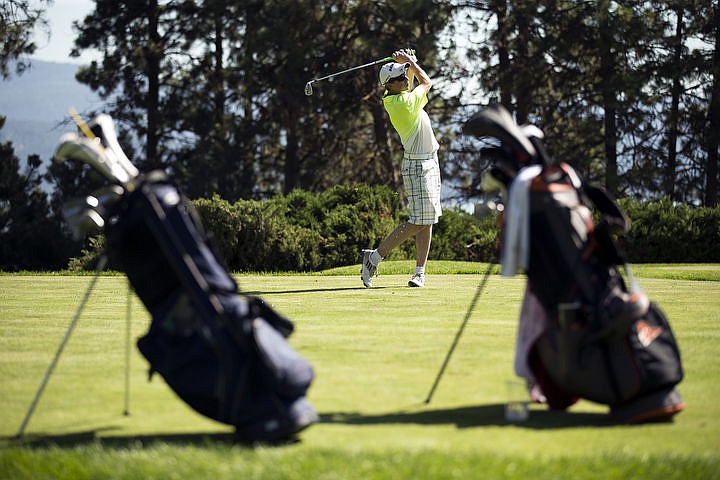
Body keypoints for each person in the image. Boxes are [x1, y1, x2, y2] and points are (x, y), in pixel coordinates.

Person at [360, 49, 442, 288]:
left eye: (404, 75)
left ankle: (419, 273)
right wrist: (412, 62)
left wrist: (407, 63)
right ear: (390, 85)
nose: (405, 79)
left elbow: (415, 80)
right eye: (400, 77)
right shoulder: (403, 103)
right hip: (418, 165)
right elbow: (426, 82)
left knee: (427, 220)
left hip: (429, 161)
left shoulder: (400, 95)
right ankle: (374, 258)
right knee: (418, 220)